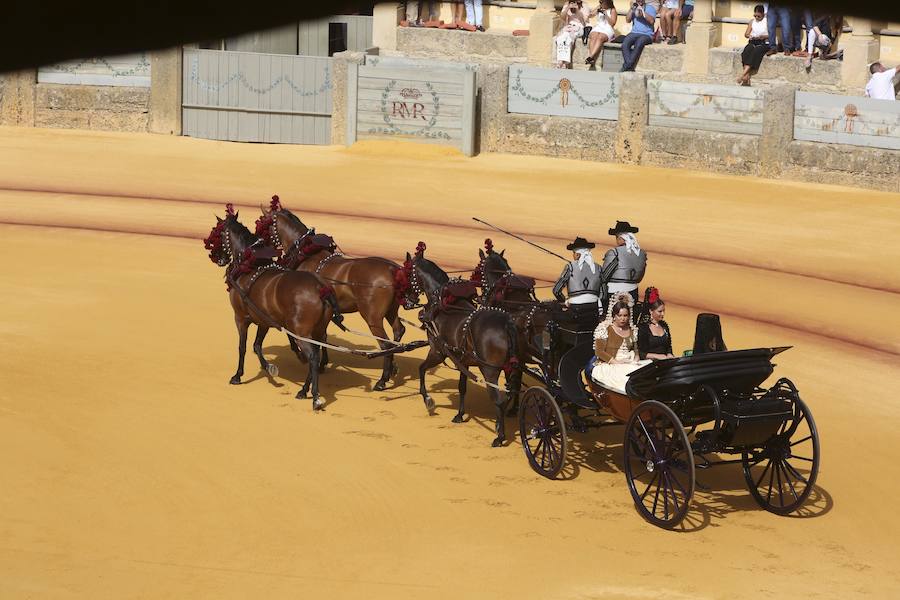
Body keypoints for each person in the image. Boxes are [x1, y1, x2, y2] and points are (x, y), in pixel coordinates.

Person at [591, 293, 649, 394]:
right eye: (620, 315)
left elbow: (635, 351)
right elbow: (599, 351)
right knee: (626, 377)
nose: (623, 318)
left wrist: (635, 360)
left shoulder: (632, 330)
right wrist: (617, 363)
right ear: (614, 316)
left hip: (629, 362)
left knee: (646, 371)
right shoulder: (605, 328)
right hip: (609, 365)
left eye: (625, 316)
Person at [553, 236, 603, 332]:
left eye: (573, 253)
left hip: (575, 311)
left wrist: (565, 301)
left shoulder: (570, 267)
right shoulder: (598, 268)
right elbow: (603, 292)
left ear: (577, 255)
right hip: (594, 311)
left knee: (552, 315)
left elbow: (556, 290)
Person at [600, 221, 647, 315]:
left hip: (614, 293)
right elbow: (640, 277)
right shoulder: (642, 253)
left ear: (621, 238)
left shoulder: (614, 252)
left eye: (617, 237)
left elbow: (604, 276)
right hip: (633, 293)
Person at [636, 287, 675, 360]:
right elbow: (639, 353)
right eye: (660, 311)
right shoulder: (643, 328)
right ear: (651, 311)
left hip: (665, 361)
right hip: (649, 364)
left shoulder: (664, 326)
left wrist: (669, 354)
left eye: (664, 311)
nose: (663, 314)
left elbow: (669, 347)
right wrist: (656, 356)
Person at [621, 0, 657, 72]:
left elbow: (652, 21)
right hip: (634, 32)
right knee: (625, 43)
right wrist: (631, 9)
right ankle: (629, 66)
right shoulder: (634, 7)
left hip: (647, 34)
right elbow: (627, 20)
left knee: (639, 43)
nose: (639, 1)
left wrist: (643, 12)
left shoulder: (650, 8)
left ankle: (626, 66)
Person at [737, 5, 769, 86]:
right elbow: (746, 34)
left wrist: (763, 36)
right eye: (755, 15)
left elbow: (771, 35)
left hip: (764, 42)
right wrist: (749, 36)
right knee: (746, 51)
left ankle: (743, 75)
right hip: (753, 41)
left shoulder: (767, 21)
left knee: (756, 52)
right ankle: (746, 76)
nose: (757, 17)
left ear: (763, 14)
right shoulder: (752, 21)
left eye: (759, 16)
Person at [555, 1, 589, 68]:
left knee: (570, 39)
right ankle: (561, 61)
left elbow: (585, 21)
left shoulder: (584, 5)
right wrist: (568, 7)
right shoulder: (567, 4)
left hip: (580, 27)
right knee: (561, 38)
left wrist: (578, 10)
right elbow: (562, 17)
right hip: (569, 26)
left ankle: (564, 62)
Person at [586, 0, 618, 68]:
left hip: (608, 28)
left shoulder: (612, 10)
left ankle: (591, 57)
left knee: (600, 37)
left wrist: (605, 14)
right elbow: (590, 16)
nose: (600, 3)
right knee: (594, 36)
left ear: (607, 2)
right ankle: (591, 58)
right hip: (598, 27)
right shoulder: (599, 7)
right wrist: (595, 11)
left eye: (602, 2)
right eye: (600, 2)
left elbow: (612, 23)